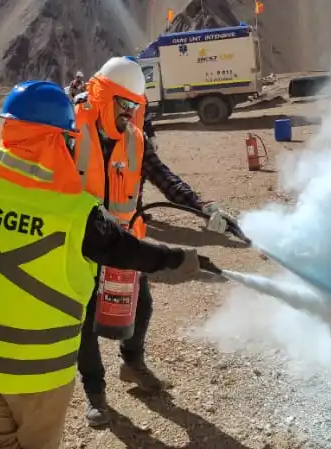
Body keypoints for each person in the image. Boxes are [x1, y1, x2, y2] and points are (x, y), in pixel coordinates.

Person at [0, 80, 205, 449]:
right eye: (65, 138)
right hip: (34, 368)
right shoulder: (72, 210)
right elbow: (124, 250)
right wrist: (179, 258)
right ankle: (96, 393)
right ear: (53, 139)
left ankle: (130, 365)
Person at [71, 56, 238, 427]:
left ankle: (132, 365)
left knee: (141, 307)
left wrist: (203, 207)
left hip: (127, 244)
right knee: (85, 322)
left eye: (135, 106)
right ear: (102, 96)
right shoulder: (70, 136)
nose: (129, 113)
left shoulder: (136, 141)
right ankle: (95, 394)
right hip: (82, 247)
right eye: (124, 104)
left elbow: (165, 179)